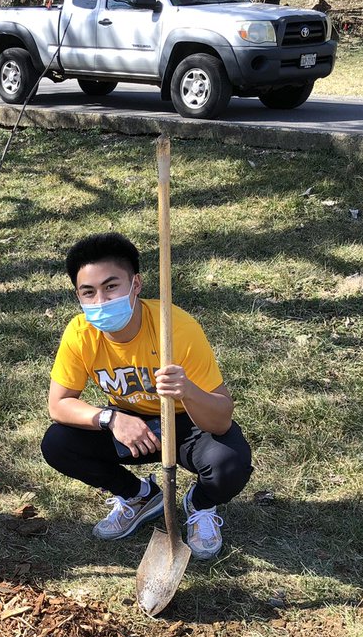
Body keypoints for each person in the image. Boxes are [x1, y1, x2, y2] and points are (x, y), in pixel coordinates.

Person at [41, 232, 252, 559]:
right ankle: (140, 497)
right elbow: (59, 405)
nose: (101, 301)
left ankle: (200, 505)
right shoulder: (80, 334)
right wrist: (111, 419)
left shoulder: (176, 326)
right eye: (88, 292)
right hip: (130, 425)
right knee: (58, 443)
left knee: (230, 463)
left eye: (111, 286)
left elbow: (222, 418)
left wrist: (189, 391)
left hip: (186, 422)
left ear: (136, 284)